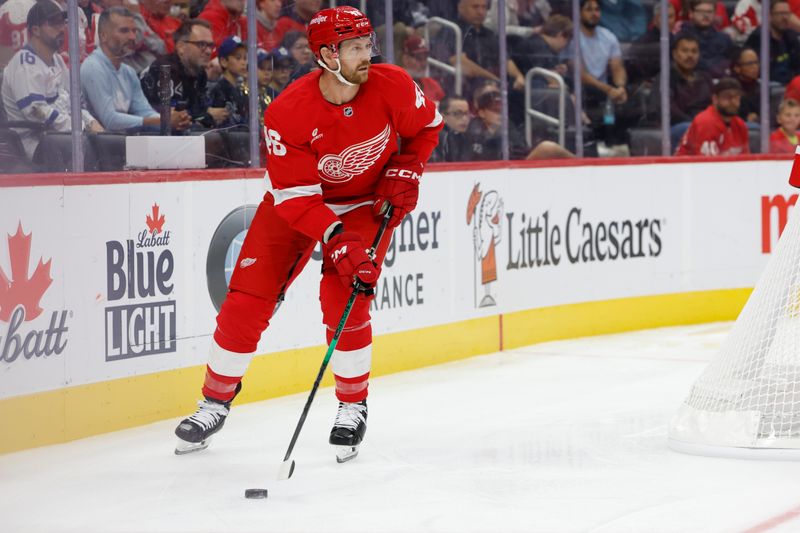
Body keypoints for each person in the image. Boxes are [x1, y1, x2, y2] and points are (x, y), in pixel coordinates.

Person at [173, 6, 443, 461]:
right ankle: (213, 402)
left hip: (364, 203)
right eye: (353, 47)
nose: (365, 55)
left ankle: (352, 406)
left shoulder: (393, 84)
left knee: (346, 297)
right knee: (247, 299)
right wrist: (336, 240)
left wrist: (407, 169)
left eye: (366, 45)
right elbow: (296, 198)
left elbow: (428, 130)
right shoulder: (288, 111)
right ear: (325, 55)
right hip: (294, 204)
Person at [1, 0, 102, 162]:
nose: (61, 28)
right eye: (54, 23)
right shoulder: (23, 63)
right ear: (36, 30)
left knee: (107, 142)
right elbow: (36, 112)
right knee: (88, 146)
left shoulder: (58, 60)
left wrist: (91, 123)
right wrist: (79, 128)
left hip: (61, 136)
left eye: (62, 22)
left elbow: (74, 103)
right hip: (34, 144)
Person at [81, 7, 190, 132]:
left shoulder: (128, 72)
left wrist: (172, 120)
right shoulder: (93, 67)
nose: (132, 37)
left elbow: (144, 111)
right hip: (96, 145)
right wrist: (162, 120)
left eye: (134, 31)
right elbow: (109, 120)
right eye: (124, 31)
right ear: (103, 36)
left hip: (121, 142)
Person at [139, 18, 229, 129]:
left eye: (210, 45)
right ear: (181, 47)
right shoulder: (165, 70)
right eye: (202, 44)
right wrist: (208, 116)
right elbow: (173, 119)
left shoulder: (200, 73)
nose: (209, 51)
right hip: (147, 135)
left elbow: (198, 111)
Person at [647, 34, 713, 147]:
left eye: (694, 51)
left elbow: (714, 104)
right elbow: (666, 109)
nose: (690, 56)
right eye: (685, 51)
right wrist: (696, 123)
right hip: (677, 127)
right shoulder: (666, 77)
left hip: (703, 125)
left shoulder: (705, 78)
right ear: (675, 54)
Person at [675, 77, 750, 156]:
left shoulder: (740, 124)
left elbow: (745, 160)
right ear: (715, 99)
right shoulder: (706, 122)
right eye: (727, 97)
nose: (733, 101)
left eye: (736, 97)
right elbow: (707, 164)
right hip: (688, 166)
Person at [745, 0, 800, 85]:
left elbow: (797, 64)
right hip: (768, 86)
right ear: (769, 16)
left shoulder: (791, 36)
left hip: (790, 83)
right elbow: (762, 71)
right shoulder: (759, 38)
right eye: (780, 14)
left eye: (787, 14)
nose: (785, 18)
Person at [676, 0, 734, 79]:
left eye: (709, 12)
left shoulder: (725, 39)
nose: (705, 15)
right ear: (691, 13)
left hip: (721, 82)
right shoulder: (681, 38)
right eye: (700, 11)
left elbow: (731, 62)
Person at [208, 35, 248, 127]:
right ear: (223, 61)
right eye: (238, 58)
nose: (243, 62)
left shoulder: (240, 90)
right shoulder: (219, 89)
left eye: (245, 58)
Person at [399, 35, 445, 105]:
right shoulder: (395, 84)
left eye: (425, 58)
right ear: (406, 59)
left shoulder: (433, 85)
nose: (423, 63)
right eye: (419, 58)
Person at [431, 95, 473, 162]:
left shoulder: (470, 137)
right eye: (458, 114)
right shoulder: (433, 140)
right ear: (443, 117)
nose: (464, 119)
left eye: (466, 113)